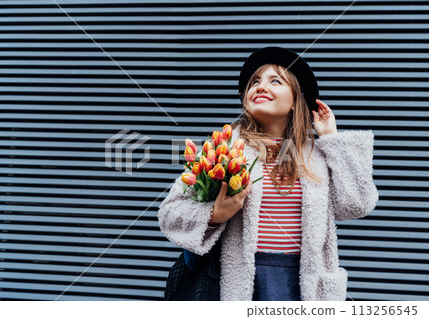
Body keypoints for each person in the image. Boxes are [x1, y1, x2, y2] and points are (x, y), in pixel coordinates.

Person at [158, 46, 379, 301]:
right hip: (238, 282)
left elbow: (357, 204)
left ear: (297, 99)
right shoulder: (223, 151)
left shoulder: (318, 157)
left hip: (303, 285)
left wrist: (331, 139)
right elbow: (170, 214)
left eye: (275, 81)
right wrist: (216, 215)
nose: (260, 87)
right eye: (255, 82)